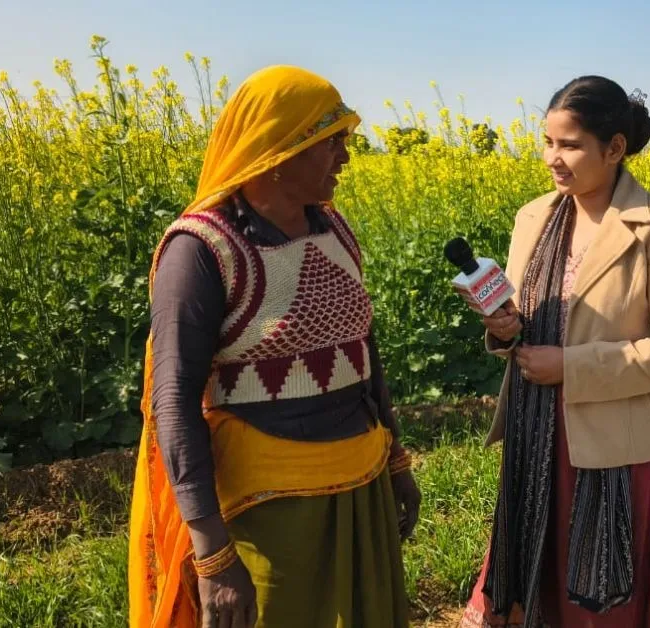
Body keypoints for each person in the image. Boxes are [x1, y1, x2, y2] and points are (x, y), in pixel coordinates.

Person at [127, 65, 421, 628]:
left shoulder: (334, 230)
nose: (345, 157)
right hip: (266, 511)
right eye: (330, 142)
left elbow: (363, 352)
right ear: (280, 150)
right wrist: (213, 554)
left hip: (361, 484)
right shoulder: (202, 250)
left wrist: (395, 461)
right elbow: (174, 403)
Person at [459, 76, 650, 627]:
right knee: (531, 585)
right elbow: (529, 324)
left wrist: (570, 368)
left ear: (614, 147)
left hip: (613, 449)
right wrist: (504, 329)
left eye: (570, 145)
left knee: (596, 605)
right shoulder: (533, 218)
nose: (553, 158)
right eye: (547, 142)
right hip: (534, 438)